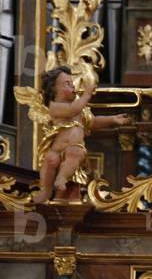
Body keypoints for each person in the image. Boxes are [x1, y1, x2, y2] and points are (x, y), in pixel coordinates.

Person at [31, 66, 129, 203]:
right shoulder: (55, 106)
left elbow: (94, 123)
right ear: (54, 89)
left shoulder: (81, 111)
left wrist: (112, 119)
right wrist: (87, 95)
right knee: (50, 159)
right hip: (57, 148)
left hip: (76, 148)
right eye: (67, 84)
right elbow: (72, 110)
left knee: (74, 153)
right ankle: (46, 189)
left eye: (72, 83)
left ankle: (62, 178)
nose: (73, 86)